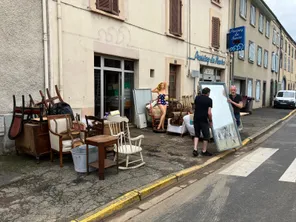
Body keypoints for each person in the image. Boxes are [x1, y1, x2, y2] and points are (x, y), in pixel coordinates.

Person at [193, 87, 213, 157]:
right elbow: (209, 113)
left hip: (196, 118)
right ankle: (204, 151)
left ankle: (195, 149)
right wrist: (210, 120)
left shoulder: (197, 98)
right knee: (206, 136)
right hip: (204, 119)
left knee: (196, 134)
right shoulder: (209, 100)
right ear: (208, 93)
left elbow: (194, 107)